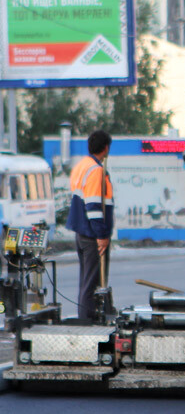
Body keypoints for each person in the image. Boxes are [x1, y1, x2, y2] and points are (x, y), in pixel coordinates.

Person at [66, 130, 114, 321]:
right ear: (106, 148)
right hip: (92, 233)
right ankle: (87, 321)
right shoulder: (95, 171)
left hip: (81, 232)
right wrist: (101, 235)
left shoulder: (82, 165)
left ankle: (86, 316)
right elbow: (94, 206)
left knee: (86, 279)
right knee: (92, 281)